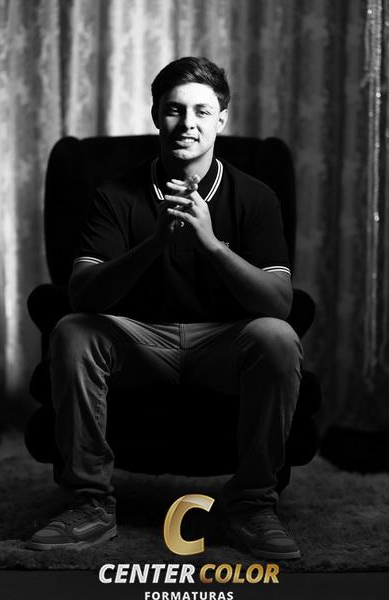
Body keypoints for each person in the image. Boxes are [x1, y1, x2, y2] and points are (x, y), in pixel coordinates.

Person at [28, 56, 303, 559]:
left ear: (221, 119)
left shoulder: (255, 197)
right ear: (156, 114)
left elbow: (280, 304)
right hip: (139, 340)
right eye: (175, 109)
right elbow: (82, 294)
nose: (187, 123)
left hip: (222, 342)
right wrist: (155, 243)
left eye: (202, 111)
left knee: (277, 337)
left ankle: (251, 506)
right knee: (72, 330)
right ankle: (91, 504)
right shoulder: (115, 195)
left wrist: (211, 244)